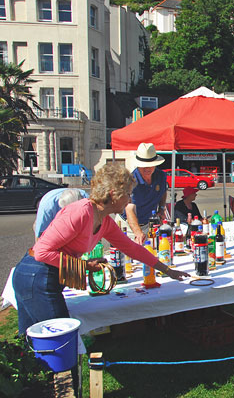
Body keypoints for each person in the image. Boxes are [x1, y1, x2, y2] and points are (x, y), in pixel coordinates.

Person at [12, 163, 189, 334]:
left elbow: (132, 249)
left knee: (39, 342)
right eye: (127, 194)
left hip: (50, 274)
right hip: (36, 274)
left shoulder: (104, 221)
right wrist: (83, 266)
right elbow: (42, 252)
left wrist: (167, 271)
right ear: (113, 194)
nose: (129, 199)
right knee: (59, 339)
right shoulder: (80, 212)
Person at [116, 143, 167, 245]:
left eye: (150, 165)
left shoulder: (161, 176)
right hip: (128, 226)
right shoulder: (130, 180)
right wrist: (137, 232)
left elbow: (163, 192)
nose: (147, 169)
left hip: (149, 224)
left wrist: (161, 208)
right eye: (144, 166)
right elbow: (129, 208)